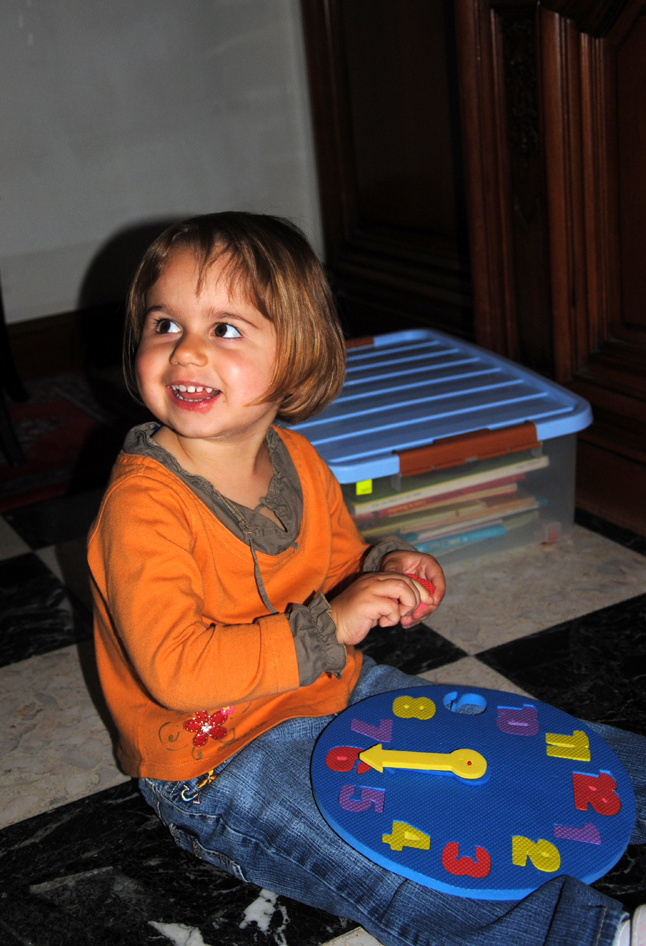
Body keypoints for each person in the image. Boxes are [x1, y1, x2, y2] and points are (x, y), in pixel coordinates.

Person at [88, 211, 645, 946]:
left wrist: (382, 566)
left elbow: (337, 567)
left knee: (501, 747)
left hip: (336, 686)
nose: (185, 349)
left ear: (296, 359)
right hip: (218, 755)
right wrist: (332, 625)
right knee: (396, 863)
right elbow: (176, 670)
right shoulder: (142, 505)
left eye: (223, 328)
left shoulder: (298, 458)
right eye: (165, 324)